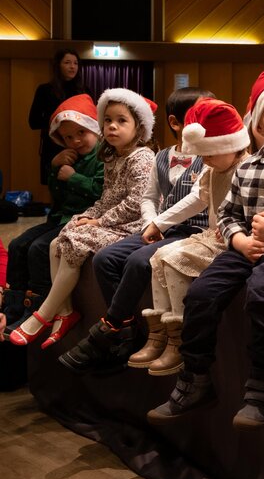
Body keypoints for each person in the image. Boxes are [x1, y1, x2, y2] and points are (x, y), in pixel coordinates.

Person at [147, 63, 264, 429]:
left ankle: (262, 382)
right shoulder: (249, 167)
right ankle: (196, 377)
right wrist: (238, 238)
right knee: (202, 292)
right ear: (258, 124)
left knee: (263, 290)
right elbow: (229, 212)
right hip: (248, 245)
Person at [58, 87, 211, 374]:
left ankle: (112, 326)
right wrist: (150, 223)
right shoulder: (164, 156)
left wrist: (159, 224)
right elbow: (149, 197)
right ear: (176, 123)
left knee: (139, 260)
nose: (206, 122)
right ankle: (127, 329)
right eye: (199, 116)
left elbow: (198, 198)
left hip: (193, 231)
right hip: (159, 227)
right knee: (106, 259)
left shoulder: (211, 156)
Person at [8, 89, 157, 348]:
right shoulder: (112, 155)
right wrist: (88, 216)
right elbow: (105, 199)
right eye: (108, 120)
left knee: (76, 240)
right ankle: (65, 313)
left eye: (121, 121)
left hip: (133, 224)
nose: (112, 126)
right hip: (114, 219)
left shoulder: (142, 157)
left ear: (139, 126)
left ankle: (44, 313)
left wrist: (99, 222)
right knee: (58, 242)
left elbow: (135, 203)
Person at [128, 98, 250, 376]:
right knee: (160, 255)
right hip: (212, 236)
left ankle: (180, 339)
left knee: (175, 259)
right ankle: (161, 334)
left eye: (210, 153)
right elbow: (196, 201)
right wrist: (158, 223)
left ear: (232, 145)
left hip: (230, 240)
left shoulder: (245, 169)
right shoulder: (212, 169)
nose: (204, 160)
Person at [3, 95, 104, 335]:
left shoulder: (103, 157)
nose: (75, 141)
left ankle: (39, 309)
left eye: (81, 133)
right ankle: (13, 309)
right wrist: (55, 167)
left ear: (93, 128)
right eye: (68, 137)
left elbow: (101, 194)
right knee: (18, 245)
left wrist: (73, 177)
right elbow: (57, 196)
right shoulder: (68, 156)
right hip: (59, 217)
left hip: (84, 220)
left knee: (39, 248)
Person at [29, 49, 86, 186]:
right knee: (55, 187)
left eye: (75, 63)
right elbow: (33, 121)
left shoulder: (84, 90)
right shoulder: (44, 89)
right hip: (52, 145)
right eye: (67, 62)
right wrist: (60, 120)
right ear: (58, 66)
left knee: (77, 186)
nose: (72, 67)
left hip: (79, 145)